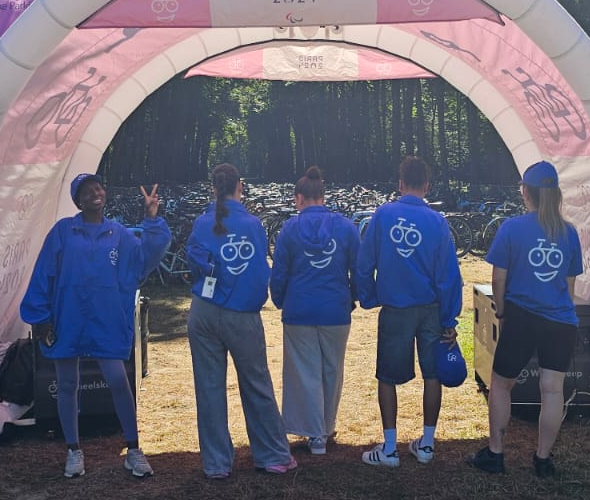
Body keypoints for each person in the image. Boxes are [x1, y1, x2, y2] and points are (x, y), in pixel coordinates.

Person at [19, 173, 169, 479]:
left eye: (99, 188)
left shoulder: (119, 235)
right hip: (67, 319)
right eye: (87, 191)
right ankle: (73, 451)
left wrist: (152, 220)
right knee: (67, 384)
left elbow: (145, 258)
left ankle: (134, 449)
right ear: (78, 200)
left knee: (118, 380)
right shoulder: (63, 232)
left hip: (105, 320)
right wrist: (40, 317)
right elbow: (44, 272)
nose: (95, 193)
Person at [467, 161, 584, 478]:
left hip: (522, 317)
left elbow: (498, 279)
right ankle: (543, 460)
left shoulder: (511, 228)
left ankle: (495, 453)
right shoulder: (569, 233)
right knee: (552, 390)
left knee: (501, 384)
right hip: (561, 321)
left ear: (525, 193)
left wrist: (502, 312)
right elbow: (569, 286)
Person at [184, 163, 296, 479]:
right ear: (240, 187)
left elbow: (194, 264)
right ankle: (272, 454)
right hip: (242, 314)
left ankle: (216, 463)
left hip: (204, 312)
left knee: (208, 389)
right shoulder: (252, 225)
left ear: (213, 189)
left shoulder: (201, 223)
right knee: (256, 383)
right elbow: (259, 271)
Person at [355, 156, 463, 468]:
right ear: (427, 186)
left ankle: (389, 448)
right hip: (430, 310)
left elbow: (365, 263)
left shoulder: (383, 214)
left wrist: (369, 297)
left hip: (395, 308)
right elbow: (449, 275)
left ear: (400, 183)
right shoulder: (437, 221)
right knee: (433, 374)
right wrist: (449, 318)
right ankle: (427, 444)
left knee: (387, 377)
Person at [269, 166, 361, 455]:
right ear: (323, 196)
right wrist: (355, 297)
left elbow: (280, 272)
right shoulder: (345, 227)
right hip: (335, 309)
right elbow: (358, 269)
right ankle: (327, 426)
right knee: (333, 370)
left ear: (298, 198)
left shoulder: (289, 229)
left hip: (299, 309)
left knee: (305, 372)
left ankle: (314, 434)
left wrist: (280, 299)